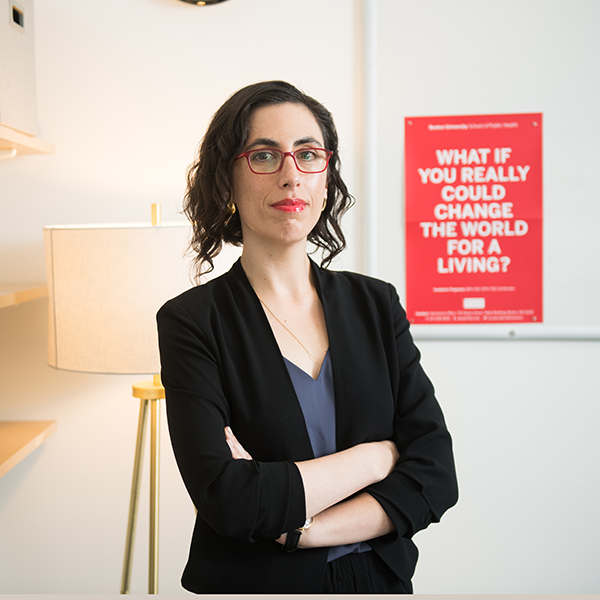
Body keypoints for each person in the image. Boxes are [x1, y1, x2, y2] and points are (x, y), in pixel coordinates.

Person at [157, 80, 458, 594]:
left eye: (308, 154)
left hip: (378, 582)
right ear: (227, 179)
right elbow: (228, 501)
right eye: (264, 155)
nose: (290, 176)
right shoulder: (192, 320)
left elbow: (434, 476)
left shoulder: (376, 304)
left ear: (326, 177)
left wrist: (301, 532)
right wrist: (377, 457)